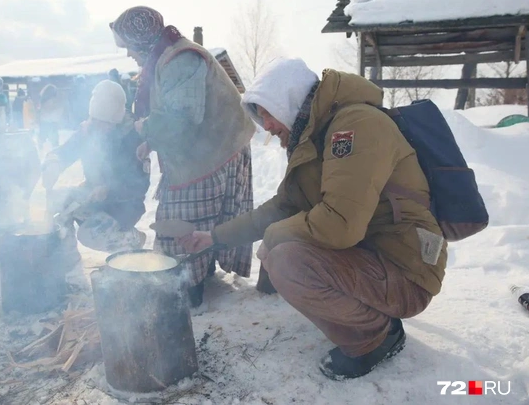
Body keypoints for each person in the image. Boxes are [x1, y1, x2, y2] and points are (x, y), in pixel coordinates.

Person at [181, 58, 447, 380]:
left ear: (288, 98)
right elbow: (283, 206)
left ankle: (378, 336)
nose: (266, 125)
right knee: (282, 246)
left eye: (267, 112)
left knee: (287, 260)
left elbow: (339, 225)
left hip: (408, 270)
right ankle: (367, 316)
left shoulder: (355, 125)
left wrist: (276, 237)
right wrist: (215, 236)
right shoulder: (314, 136)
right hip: (375, 257)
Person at [109, 6, 256, 308]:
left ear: (142, 40)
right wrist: (150, 141)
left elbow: (183, 118)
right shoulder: (165, 58)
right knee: (195, 218)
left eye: (128, 47)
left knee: (179, 222)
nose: (128, 55)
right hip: (205, 150)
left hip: (216, 151)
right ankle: (197, 276)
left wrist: (142, 127)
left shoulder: (181, 59)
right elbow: (173, 110)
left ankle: (186, 288)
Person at [41, 80, 150, 256]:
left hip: (123, 204)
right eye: (95, 120)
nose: (98, 126)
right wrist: (54, 162)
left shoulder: (132, 137)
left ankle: (131, 239)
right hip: (93, 196)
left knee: (90, 235)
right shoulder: (88, 130)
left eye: (104, 122)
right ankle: (69, 258)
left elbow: (139, 184)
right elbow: (65, 151)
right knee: (58, 204)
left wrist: (108, 189)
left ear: (116, 118)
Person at [37, 84, 64, 149]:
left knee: (42, 140)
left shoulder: (43, 100)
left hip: (46, 122)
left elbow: (40, 111)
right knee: (53, 143)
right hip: (49, 123)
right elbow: (52, 110)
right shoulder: (51, 101)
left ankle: (41, 154)